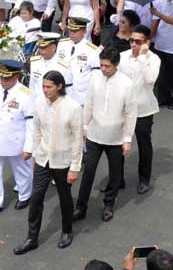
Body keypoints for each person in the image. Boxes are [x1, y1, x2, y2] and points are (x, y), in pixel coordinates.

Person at [13, 71, 83, 255]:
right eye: (43, 86)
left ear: (59, 86)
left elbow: (77, 140)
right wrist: (36, 155)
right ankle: (32, 238)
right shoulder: (38, 103)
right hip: (43, 159)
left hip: (63, 161)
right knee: (36, 198)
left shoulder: (73, 107)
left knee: (64, 197)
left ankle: (67, 231)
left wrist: (75, 167)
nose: (44, 90)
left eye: (48, 87)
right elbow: (37, 131)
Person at [74, 46, 137, 223]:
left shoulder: (126, 84)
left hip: (116, 138)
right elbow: (89, 104)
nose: (103, 69)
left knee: (115, 174)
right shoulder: (95, 79)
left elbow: (130, 113)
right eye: (101, 65)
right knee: (89, 172)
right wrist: (84, 126)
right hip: (94, 135)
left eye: (107, 66)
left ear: (116, 65)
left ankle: (109, 204)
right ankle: (81, 206)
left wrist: (127, 139)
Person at [0, 60, 34, 218]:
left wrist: (28, 148)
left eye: (7, 79)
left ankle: (25, 195)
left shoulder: (26, 95)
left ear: (16, 76)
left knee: (22, 170)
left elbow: (31, 123)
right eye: (2, 78)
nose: (3, 82)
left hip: (15, 140)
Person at [118, 25, 160, 194]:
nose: (133, 44)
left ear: (147, 42)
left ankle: (144, 178)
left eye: (138, 41)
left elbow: (150, 80)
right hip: (123, 109)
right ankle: (117, 178)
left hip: (144, 109)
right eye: (131, 40)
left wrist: (142, 57)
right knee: (118, 146)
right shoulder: (122, 57)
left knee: (144, 145)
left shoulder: (154, 59)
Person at [56, 17, 101, 107]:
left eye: (75, 31)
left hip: (81, 97)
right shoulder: (62, 44)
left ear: (84, 31)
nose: (72, 33)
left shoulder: (92, 50)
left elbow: (96, 76)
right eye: (70, 30)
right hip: (62, 94)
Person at [28, 32, 73, 100]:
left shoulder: (63, 66)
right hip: (37, 104)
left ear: (53, 47)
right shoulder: (34, 62)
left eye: (44, 48)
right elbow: (32, 87)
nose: (40, 50)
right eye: (40, 47)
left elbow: (68, 90)